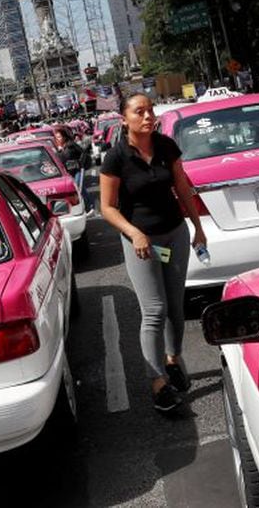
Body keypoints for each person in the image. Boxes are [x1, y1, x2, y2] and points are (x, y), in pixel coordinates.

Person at [99, 93, 206, 414]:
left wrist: (198, 228)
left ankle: (173, 359)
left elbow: (183, 188)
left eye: (150, 110)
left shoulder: (166, 146)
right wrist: (133, 232)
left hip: (172, 238)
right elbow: (106, 207)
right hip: (142, 245)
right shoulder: (115, 158)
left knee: (175, 305)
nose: (147, 116)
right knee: (155, 310)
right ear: (124, 119)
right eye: (139, 111)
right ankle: (158, 382)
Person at [55, 126, 93, 213]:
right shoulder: (62, 148)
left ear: (64, 137)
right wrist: (60, 151)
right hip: (71, 172)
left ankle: (89, 207)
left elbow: (81, 152)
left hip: (78, 170)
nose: (58, 139)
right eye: (56, 138)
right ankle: (89, 207)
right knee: (80, 189)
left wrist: (80, 163)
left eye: (59, 137)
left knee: (79, 189)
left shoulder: (70, 145)